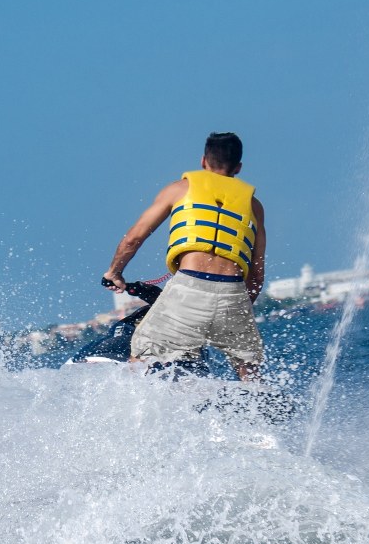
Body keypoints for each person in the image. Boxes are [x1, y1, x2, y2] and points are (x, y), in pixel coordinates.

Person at [103, 132, 266, 382]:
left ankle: (133, 405)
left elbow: (133, 239)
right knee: (249, 371)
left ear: (203, 161)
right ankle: (261, 403)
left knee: (143, 351)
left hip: (189, 287)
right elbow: (256, 275)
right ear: (238, 167)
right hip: (233, 294)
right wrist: (238, 309)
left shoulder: (179, 190)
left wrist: (114, 272)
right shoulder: (254, 206)